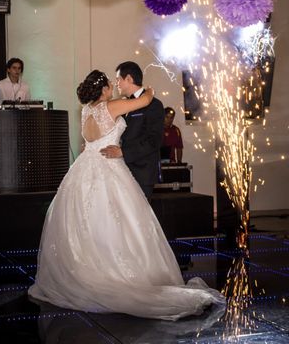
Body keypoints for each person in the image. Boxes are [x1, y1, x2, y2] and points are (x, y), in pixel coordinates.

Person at [28, 70, 224, 320]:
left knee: (87, 224)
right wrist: (150, 90)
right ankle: (118, 275)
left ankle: (88, 273)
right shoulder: (112, 106)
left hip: (84, 167)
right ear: (103, 90)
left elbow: (85, 144)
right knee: (121, 220)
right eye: (110, 84)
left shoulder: (86, 110)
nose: (113, 85)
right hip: (108, 167)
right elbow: (143, 100)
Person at [100, 61, 164, 199]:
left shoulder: (154, 105)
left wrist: (123, 152)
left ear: (128, 78)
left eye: (118, 79)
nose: (116, 84)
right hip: (121, 169)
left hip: (142, 172)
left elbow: (154, 140)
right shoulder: (124, 105)